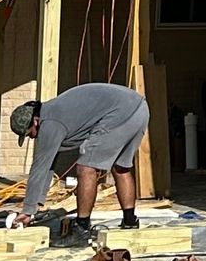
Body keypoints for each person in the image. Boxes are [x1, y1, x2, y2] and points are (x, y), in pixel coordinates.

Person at [10, 81, 150, 245]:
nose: (32, 137)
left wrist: (27, 210)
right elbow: (48, 165)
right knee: (121, 167)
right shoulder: (51, 113)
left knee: (86, 168)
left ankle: (81, 229)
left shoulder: (49, 124)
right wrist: (36, 205)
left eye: (30, 134)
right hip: (139, 108)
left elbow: (39, 168)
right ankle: (130, 221)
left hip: (119, 112)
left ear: (35, 121)